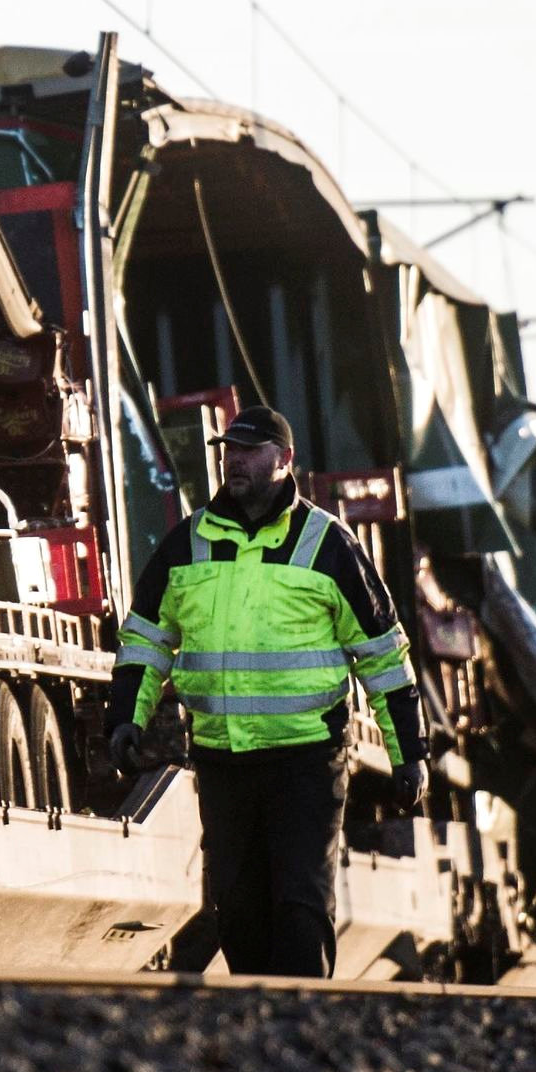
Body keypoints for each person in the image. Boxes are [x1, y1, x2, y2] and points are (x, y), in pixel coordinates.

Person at [107, 404, 427, 979]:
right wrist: (125, 719)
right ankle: (259, 1037)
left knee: (300, 909)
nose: (234, 460)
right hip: (223, 763)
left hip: (307, 761)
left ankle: (305, 1029)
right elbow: (145, 642)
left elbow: (382, 657)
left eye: (249, 451)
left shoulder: (329, 545)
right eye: (229, 450)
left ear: (284, 461)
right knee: (239, 913)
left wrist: (409, 755)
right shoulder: (188, 543)